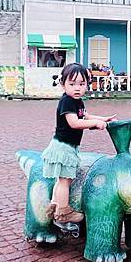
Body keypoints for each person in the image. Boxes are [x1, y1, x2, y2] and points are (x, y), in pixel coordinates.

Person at [42, 63, 116, 229]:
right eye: (72, 84)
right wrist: (95, 123)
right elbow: (74, 123)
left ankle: (54, 207)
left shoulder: (77, 102)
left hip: (68, 147)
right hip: (63, 147)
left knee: (62, 180)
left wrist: (102, 119)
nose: (77, 88)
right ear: (63, 84)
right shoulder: (67, 101)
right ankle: (63, 212)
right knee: (64, 181)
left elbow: (85, 116)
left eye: (81, 84)